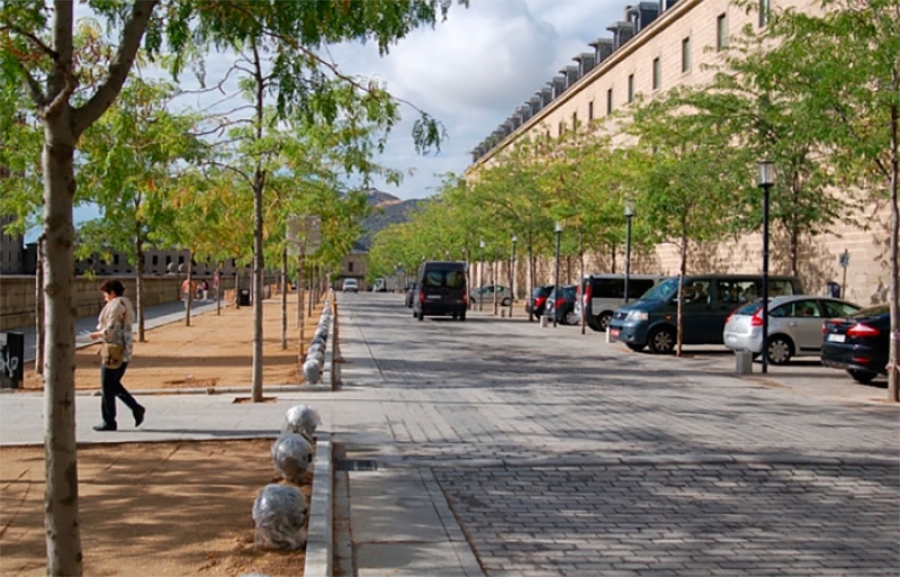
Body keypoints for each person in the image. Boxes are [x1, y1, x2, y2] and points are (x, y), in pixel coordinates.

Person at [89, 280, 145, 431]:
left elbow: (111, 328)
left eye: (106, 294)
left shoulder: (116, 306)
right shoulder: (126, 304)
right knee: (113, 384)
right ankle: (135, 408)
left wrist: (98, 335)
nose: (105, 298)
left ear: (112, 292)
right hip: (125, 349)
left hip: (114, 350)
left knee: (107, 385)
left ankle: (109, 420)